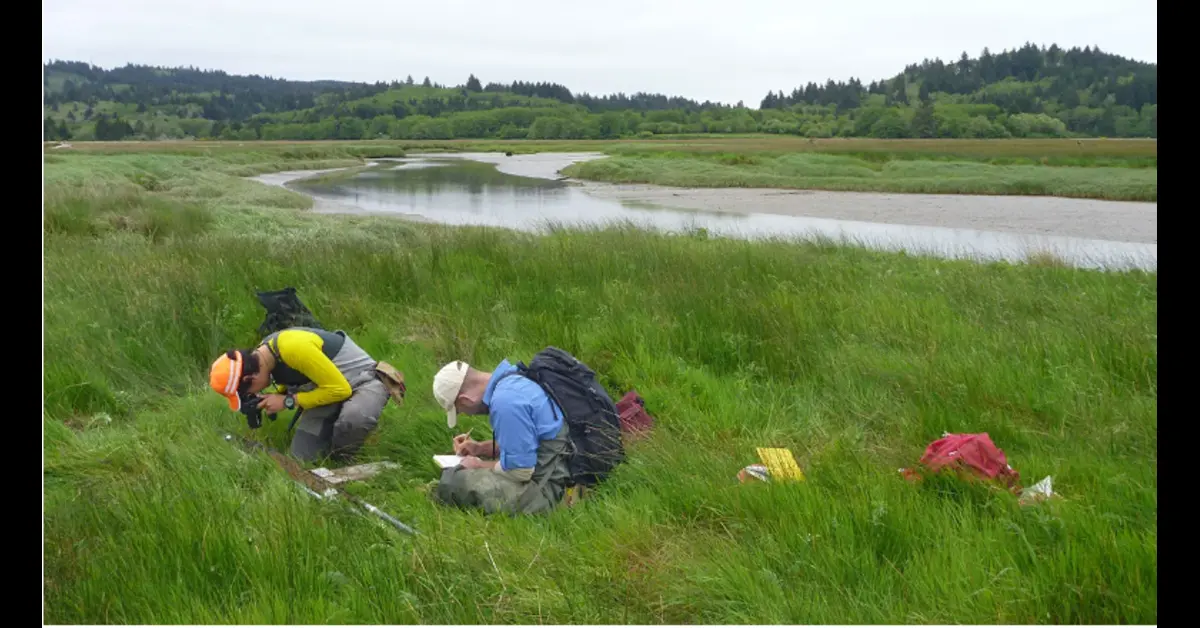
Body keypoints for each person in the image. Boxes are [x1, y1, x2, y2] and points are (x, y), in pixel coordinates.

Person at [209, 326, 400, 463]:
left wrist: (288, 401)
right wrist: (277, 397)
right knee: (301, 458)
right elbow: (297, 377)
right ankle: (334, 441)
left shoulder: (292, 348)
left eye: (248, 392)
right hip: (326, 387)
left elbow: (341, 390)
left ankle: (344, 459)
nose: (255, 393)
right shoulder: (264, 355)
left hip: (363, 380)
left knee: (353, 419)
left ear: (250, 377)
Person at [430, 358, 572, 515]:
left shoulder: (505, 403)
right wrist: (480, 448)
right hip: (556, 465)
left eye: (460, 410)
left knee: (455, 482)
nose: (467, 415)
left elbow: (520, 471)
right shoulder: (512, 378)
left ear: (465, 400)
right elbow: (527, 442)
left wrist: (478, 465)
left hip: (548, 487)